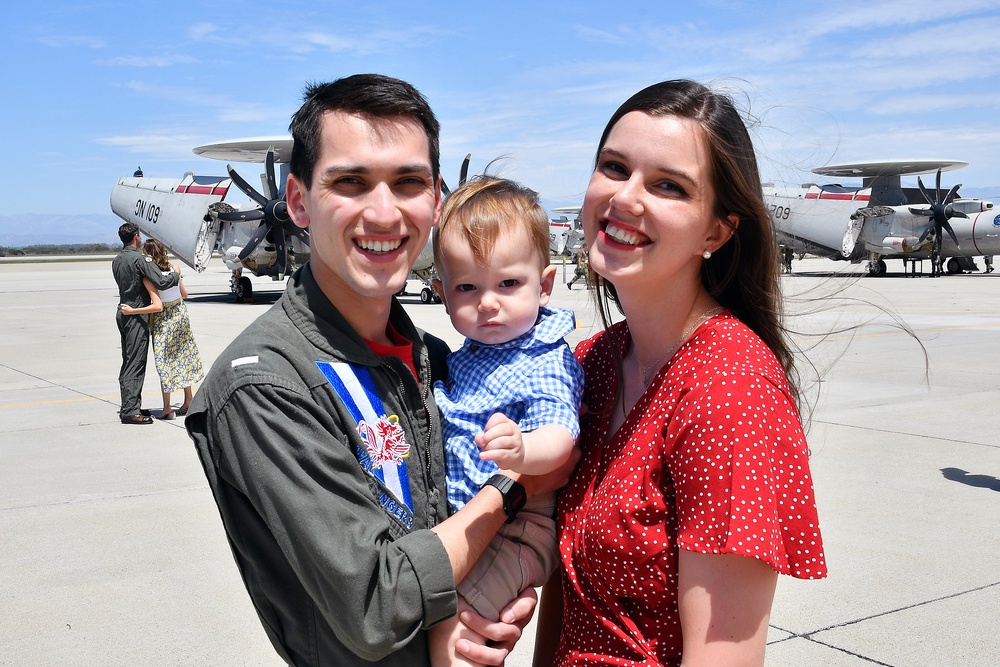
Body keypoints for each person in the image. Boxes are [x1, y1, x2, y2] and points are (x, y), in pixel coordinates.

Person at [185, 74, 570, 667]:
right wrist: (513, 490)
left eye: (409, 182)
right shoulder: (266, 385)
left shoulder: (437, 360)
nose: (385, 212)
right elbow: (375, 603)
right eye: (351, 182)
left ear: (436, 201)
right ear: (298, 202)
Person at [533, 79, 827, 666]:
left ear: (717, 231)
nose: (626, 198)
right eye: (614, 167)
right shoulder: (591, 363)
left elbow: (724, 655)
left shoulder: (729, 390)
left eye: (668, 186)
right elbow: (568, 599)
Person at [427, 176, 584, 665]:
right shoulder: (468, 355)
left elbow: (561, 438)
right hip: (472, 523)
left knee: (458, 641)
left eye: (508, 283)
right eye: (467, 287)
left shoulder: (545, 355)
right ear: (441, 291)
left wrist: (523, 451)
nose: (488, 302)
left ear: (546, 284)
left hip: (519, 528)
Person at [120, 239, 204, 420]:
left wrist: (133, 310)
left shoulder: (150, 276)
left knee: (164, 362)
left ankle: (167, 407)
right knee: (183, 356)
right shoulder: (174, 268)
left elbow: (157, 306)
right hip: (180, 315)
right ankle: (188, 399)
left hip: (164, 320)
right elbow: (184, 294)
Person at [112, 222, 179, 425]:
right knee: (135, 362)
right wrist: (176, 274)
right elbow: (161, 281)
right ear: (136, 237)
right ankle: (130, 411)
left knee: (128, 360)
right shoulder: (140, 260)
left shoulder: (117, 260)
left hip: (123, 311)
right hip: (136, 315)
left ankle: (130, 404)